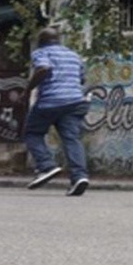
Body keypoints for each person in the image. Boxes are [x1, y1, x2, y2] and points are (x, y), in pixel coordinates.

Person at [23, 26, 91, 197]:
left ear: (41, 42)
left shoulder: (41, 52)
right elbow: (82, 79)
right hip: (75, 101)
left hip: (50, 102)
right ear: (59, 40)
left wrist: (28, 89)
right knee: (72, 139)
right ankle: (79, 177)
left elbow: (43, 69)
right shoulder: (73, 55)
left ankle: (47, 166)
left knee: (32, 133)